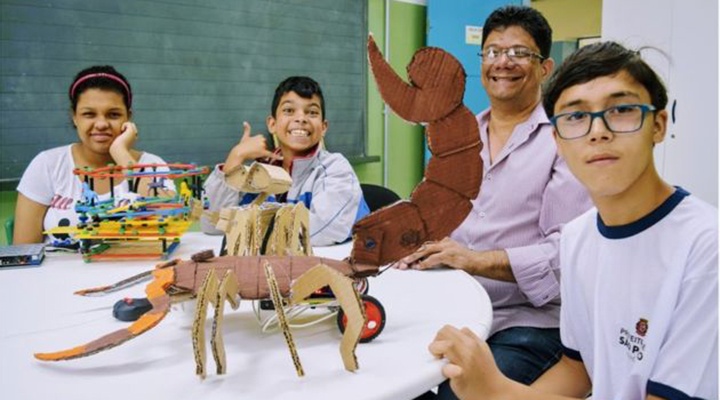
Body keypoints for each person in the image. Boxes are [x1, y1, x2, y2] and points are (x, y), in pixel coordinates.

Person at [429, 41, 718, 399]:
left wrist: (497, 391)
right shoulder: (579, 237)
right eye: (576, 116)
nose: (598, 131)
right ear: (557, 140)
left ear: (658, 125)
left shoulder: (705, 246)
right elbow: (576, 371)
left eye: (621, 109)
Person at [396, 6, 591, 396]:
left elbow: (566, 256)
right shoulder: (458, 134)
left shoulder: (564, 140)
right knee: (390, 375)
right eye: (493, 51)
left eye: (519, 52)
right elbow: (439, 214)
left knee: (457, 392)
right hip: (453, 306)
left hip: (527, 321)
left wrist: (474, 259)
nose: (503, 62)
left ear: (545, 67)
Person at [14, 65, 175, 245]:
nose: (101, 124)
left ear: (128, 118)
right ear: (74, 117)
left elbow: (170, 221)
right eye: (89, 114)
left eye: (113, 114)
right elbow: (23, 249)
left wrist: (120, 153)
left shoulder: (152, 164)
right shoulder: (47, 164)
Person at [201, 76, 369, 246]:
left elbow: (322, 230)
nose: (301, 118)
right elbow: (213, 224)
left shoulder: (335, 168)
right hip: (274, 261)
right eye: (289, 110)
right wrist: (236, 156)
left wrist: (246, 224)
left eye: (312, 112)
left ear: (323, 127)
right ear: (272, 124)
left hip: (332, 261)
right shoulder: (258, 173)